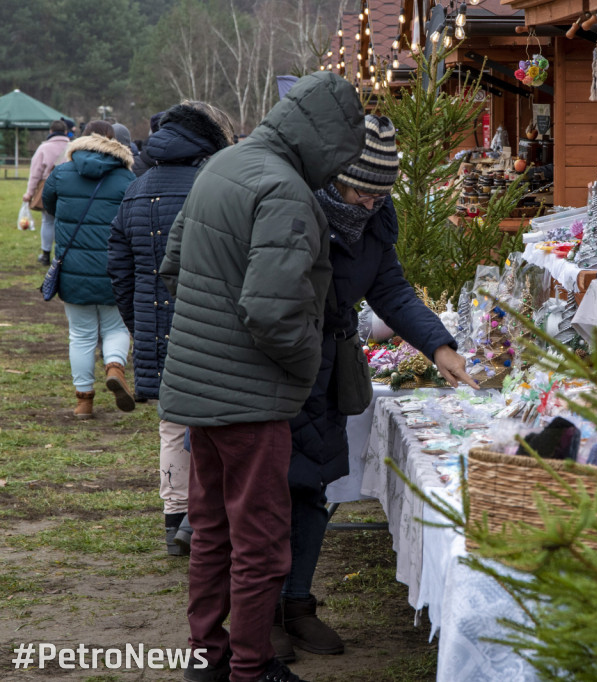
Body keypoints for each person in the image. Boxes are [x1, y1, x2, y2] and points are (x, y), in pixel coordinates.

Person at [157, 71, 366, 682]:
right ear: (327, 137)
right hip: (251, 399)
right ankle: (251, 667)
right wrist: (305, 367)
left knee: (213, 531)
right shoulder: (285, 191)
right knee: (261, 541)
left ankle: (207, 658)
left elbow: (173, 267)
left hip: (198, 389)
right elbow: (273, 311)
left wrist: (212, 335)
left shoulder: (222, 166)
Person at [272, 115, 478, 661]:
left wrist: (439, 345)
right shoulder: (296, 207)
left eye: (379, 196)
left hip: (331, 368)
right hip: (279, 367)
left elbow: (392, 289)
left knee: (314, 490)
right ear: (339, 175)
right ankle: (259, 613)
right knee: (268, 494)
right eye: (363, 192)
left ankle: (297, 605)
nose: (370, 205)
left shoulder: (375, 217)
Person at [107, 102, 233, 557]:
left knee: (171, 423)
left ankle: (176, 520)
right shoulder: (214, 187)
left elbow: (119, 268)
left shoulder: (136, 190)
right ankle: (200, 522)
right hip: (211, 325)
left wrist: (137, 322)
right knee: (214, 424)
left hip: (155, 326)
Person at [41, 120, 137, 419]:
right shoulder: (126, 178)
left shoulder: (62, 173)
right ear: (113, 141)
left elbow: (49, 207)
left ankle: (84, 400)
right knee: (116, 327)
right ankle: (115, 366)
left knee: (80, 335)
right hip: (114, 268)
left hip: (72, 268)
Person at [23, 120, 70, 266]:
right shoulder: (73, 146)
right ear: (65, 132)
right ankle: (63, 256)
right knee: (65, 222)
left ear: (51, 131)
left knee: (48, 221)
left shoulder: (44, 148)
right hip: (69, 187)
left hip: (47, 186)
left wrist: (29, 193)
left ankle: (45, 255)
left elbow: (35, 173)